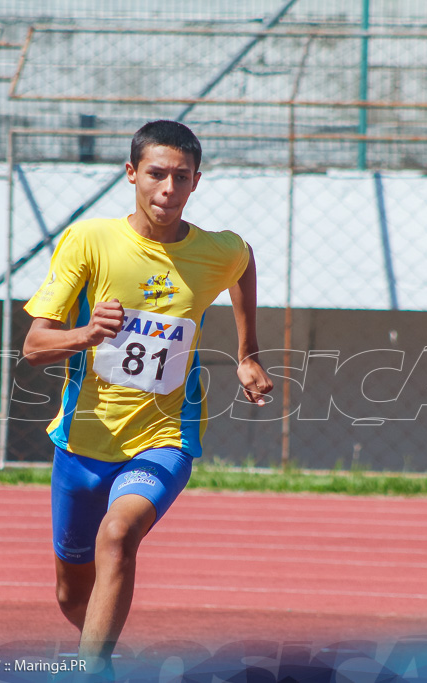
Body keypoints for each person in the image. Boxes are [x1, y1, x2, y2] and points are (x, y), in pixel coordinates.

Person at [22, 120, 274, 677]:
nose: (167, 188)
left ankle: (90, 671)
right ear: (132, 174)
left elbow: (245, 260)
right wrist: (87, 333)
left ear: (195, 183)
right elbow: (36, 346)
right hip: (82, 443)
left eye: (180, 178)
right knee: (70, 595)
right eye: (156, 174)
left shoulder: (215, 250)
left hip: (163, 439)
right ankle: (105, 662)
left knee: (118, 535)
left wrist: (248, 350)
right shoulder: (90, 240)